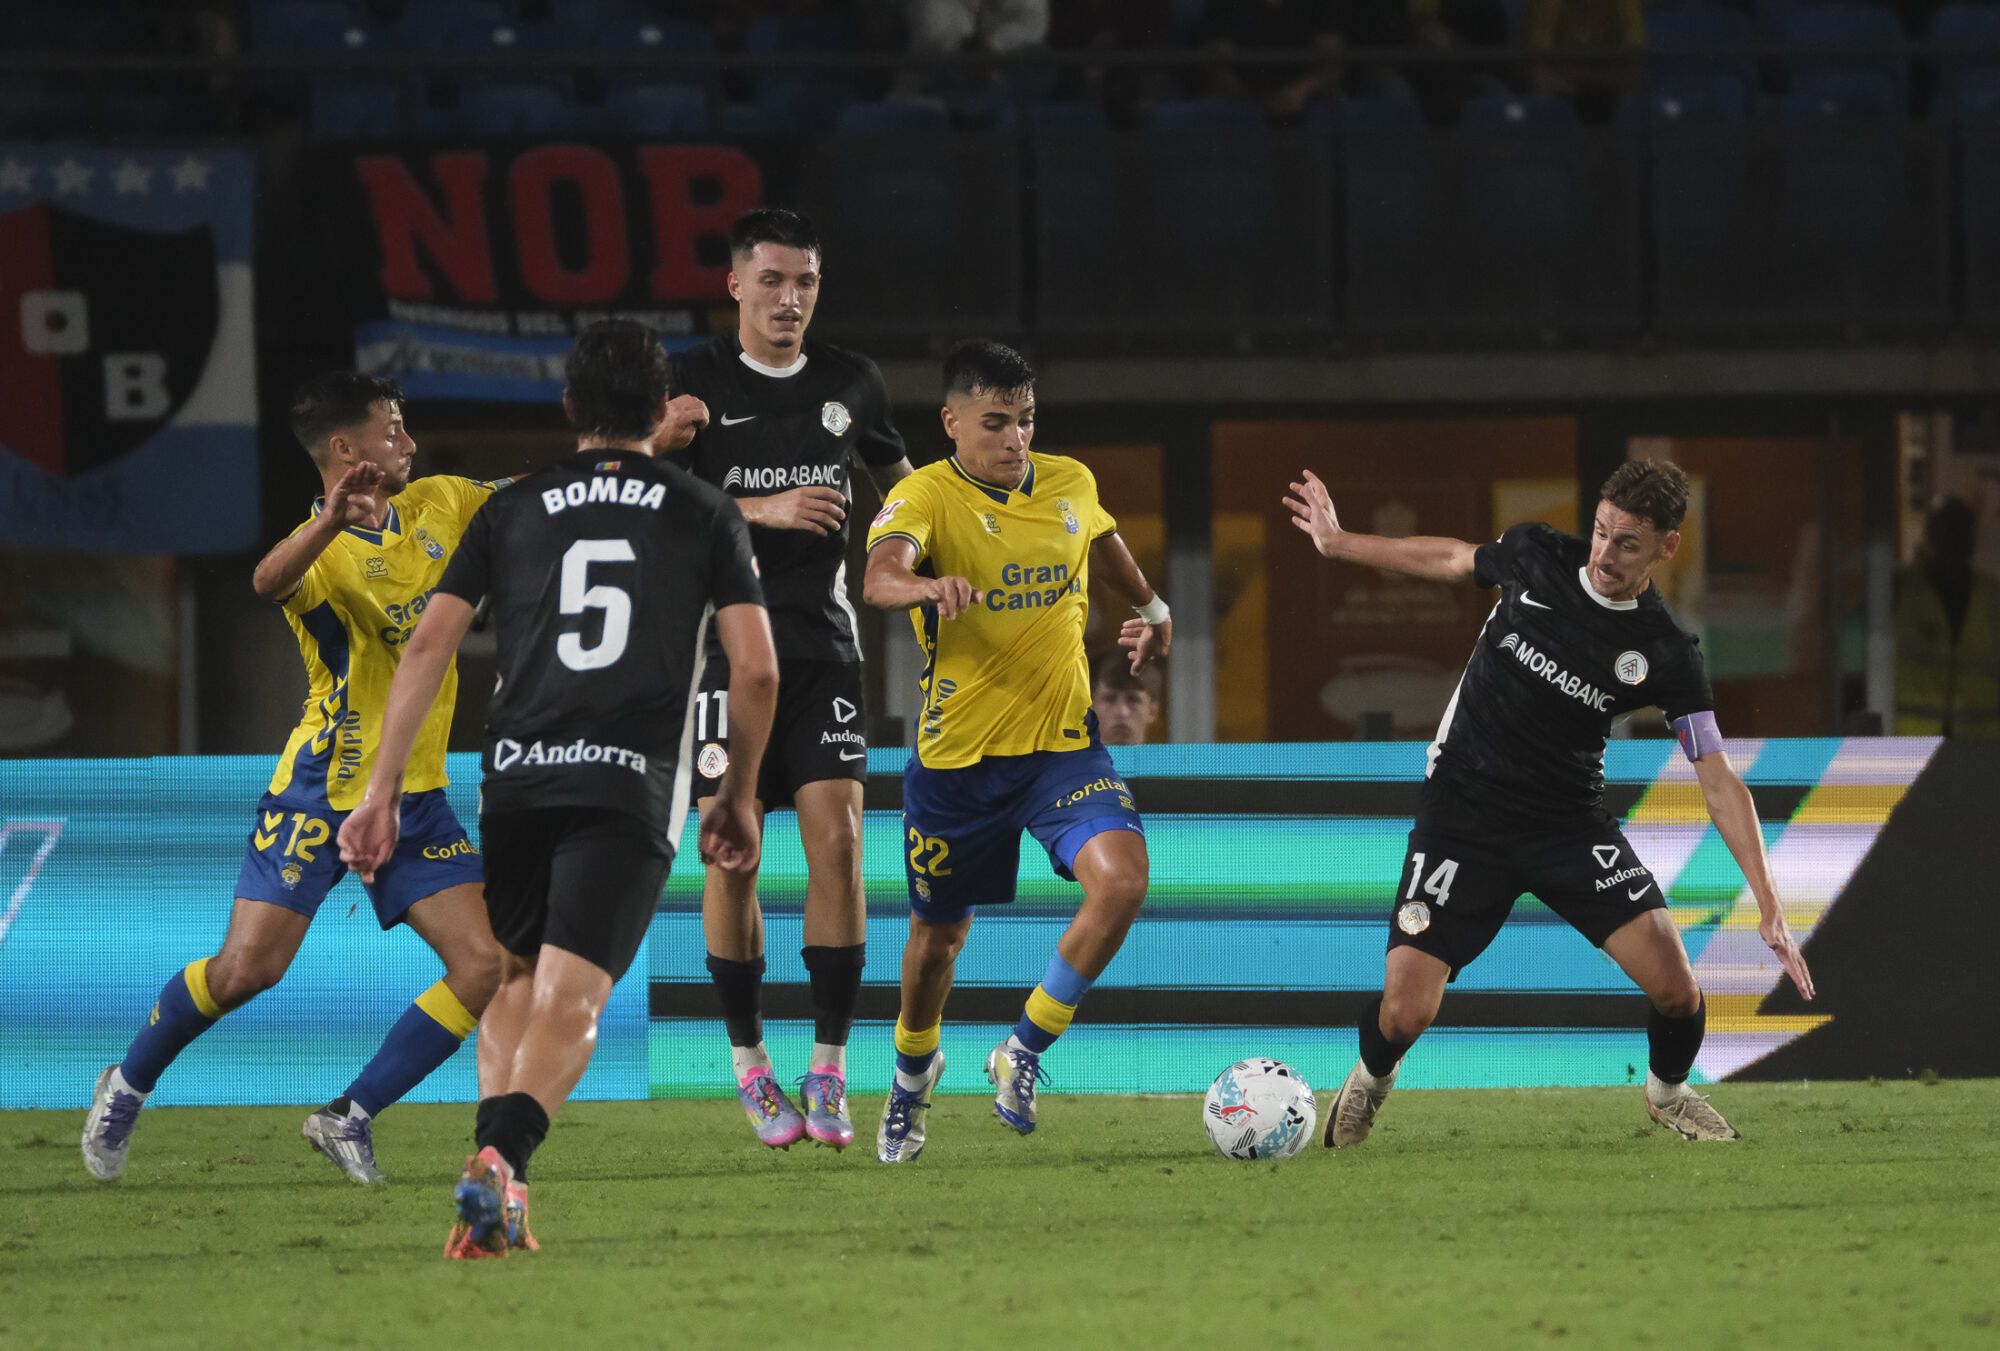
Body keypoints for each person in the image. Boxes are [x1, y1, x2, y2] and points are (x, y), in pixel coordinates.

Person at [338, 319, 777, 1258]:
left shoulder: (510, 509)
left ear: (570, 405)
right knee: (575, 998)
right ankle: (503, 1156)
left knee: (515, 976)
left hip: (518, 778)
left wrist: (378, 791)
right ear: (663, 410)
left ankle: (504, 1185)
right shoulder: (705, 509)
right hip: (628, 781)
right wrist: (736, 789)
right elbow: (759, 671)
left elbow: (427, 645)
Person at [1284, 458, 1815, 1146]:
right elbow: (1449, 557)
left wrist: (1768, 904)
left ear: (1667, 546)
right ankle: (1372, 1080)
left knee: (1678, 989)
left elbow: (1717, 776)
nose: (1604, 554)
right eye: (1600, 532)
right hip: (1464, 812)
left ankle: (1668, 1093)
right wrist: (1339, 541)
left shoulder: (1663, 651)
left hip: (1567, 825)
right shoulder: (1537, 556)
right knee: (1405, 1011)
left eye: (1627, 543)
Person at [81, 374, 506, 1186]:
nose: (409, 442)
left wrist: (633, 453)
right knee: (249, 970)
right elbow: (268, 582)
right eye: (392, 429)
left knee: (484, 964)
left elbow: (540, 496)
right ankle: (127, 1082)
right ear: (344, 451)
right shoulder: (318, 551)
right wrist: (327, 524)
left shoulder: (442, 503)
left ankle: (349, 1113)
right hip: (321, 788)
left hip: (414, 794)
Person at [862, 340, 1170, 1163]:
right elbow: (879, 575)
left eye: (1025, 420)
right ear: (952, 422)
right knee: (938, 945)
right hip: (958, 763)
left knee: (1125, 880)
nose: (1014, 439)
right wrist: (924, 586)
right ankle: (911, 1077)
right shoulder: (926, 494)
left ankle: (1022, 1049)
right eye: (995, 423)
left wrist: (1152, 603)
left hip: (1060, 750)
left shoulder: (1069, 480)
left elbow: (1100, 542)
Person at [668, 207, 913, 1151]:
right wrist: (758, 506)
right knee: (733, 855)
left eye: (805, 280)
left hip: (824, 651)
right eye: (771, 279)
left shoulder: (853, 380)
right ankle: (749, 1064)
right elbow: (656, 498)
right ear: (734, 285)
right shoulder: (691, 381)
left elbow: (910, 490)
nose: (789, 298)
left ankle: (829, 1067)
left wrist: (923, 556)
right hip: (724, 656)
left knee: (842, 845)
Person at [1894, 495, 2000, 737]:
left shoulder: (1993, 598)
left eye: (1961, 533)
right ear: (1932, 537)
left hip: (1979, 744)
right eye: (1948, 532)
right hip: (1913, 745)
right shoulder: (1902, 589)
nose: (1955, 541)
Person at [1091, 649, 1163, 746]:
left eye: (1133, 700)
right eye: (1109, 699)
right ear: (1090, 709)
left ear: (1152, 711)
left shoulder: (1172, 760)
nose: (1122, 712)